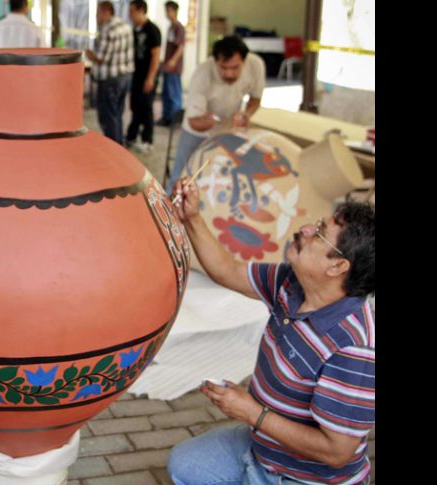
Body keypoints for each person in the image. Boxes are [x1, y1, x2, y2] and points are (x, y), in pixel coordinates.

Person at [166, 177, 375, 485]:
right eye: (317, 223)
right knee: (184, 465)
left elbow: (336, 452)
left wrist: (252, 413)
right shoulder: (292, 283)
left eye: (318, 234)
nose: (305, 229)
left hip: (306, 479)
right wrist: (191, 217)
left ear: (338, 267)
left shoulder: (353, 347)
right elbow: (228, 270)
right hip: (263, 448)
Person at [165, 35, 266, 193]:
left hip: (230, 129)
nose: (229, 74)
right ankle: (167, 213)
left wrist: (246, 114)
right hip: (197, 131)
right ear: (215, 61)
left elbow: (255, 98)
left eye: (235, 68)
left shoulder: (256, 65)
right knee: (181, 176)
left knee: (220, 177)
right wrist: (213, 123)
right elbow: (194, 123)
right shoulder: (202, 74)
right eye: (224, 68)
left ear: (244, 62)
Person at [85, 1, 134, 145]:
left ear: (106, 11)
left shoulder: (107, 29)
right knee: (118, 113)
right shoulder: (125, 26)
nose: (96, 17)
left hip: (110, 80)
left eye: (97, 13)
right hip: (125, 77)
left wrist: (89, 55)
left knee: (107, 117)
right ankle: (119, 143)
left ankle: (113, 147)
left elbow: (101, 58)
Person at [125, 0, 161, 153]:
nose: (130, 14)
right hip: (136, 76)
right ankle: (131, 137)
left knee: (146, 108)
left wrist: (150, 78)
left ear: (141, 10)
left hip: (148, 77)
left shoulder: (152, 30)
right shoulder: (134, 30)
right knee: (135, 107)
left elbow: (156, 56)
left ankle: (148, 139)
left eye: (132, 11)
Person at [156, 1, 185, 126]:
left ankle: (175, 119)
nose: (167, 14)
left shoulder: (179, 28)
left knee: (174, 94)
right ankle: (167, 117)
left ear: (175, 11)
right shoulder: (170, 28)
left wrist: (173, 61)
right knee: (166, 93)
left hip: (174, 67)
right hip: (166, 66)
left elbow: (180, 47)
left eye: (169, 11)